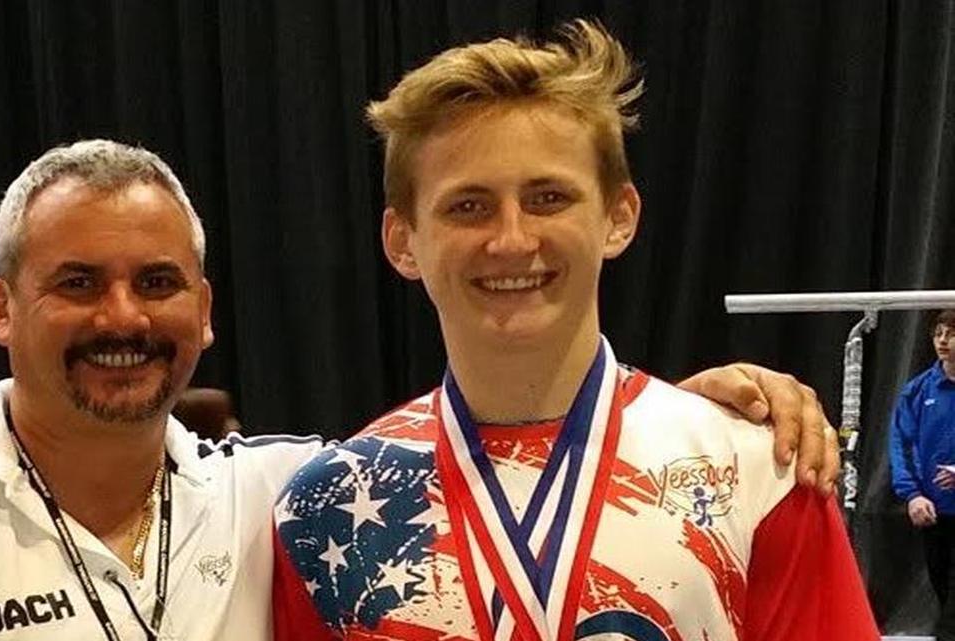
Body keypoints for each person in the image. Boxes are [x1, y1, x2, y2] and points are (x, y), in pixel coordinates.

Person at [0, 139, 835, 640]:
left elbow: (518, 438)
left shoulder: (291, 492)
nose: (123, 317)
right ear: (2, 306)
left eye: (157, 282)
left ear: (204, 309)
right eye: (76, 283)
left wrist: (701, 408)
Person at [272, 20, 878, 641]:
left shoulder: (756, 468)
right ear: (403, 241)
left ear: (619, 217)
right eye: (468, 206)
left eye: (548, 198)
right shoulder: (329, 506)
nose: (511, 239)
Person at [889, 309, 955, 641]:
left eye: (952, 334)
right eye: (938, 333)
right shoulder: (917, 391)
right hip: (937, 512)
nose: (943, 341)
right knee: (944, 592)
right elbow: (899, 443)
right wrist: (912, 494)